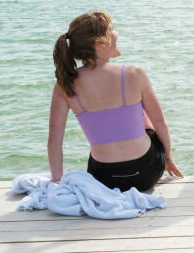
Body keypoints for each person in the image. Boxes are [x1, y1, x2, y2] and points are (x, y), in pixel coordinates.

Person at [48, 11, 182, 191]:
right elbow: (160, 123)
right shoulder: (134, 73)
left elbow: (55, 141)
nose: (117, 33)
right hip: (147, 173)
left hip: (104, 178)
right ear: (99, 42)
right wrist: (168, 159)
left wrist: (57, 181)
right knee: (144, 118)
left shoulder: (64, 84)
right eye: (112, 29)